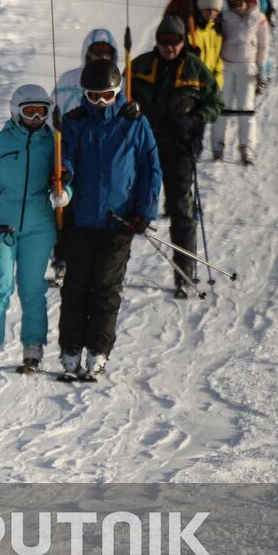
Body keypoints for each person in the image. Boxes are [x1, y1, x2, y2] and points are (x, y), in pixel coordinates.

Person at [56, 60, 161, 377]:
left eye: (106, 95)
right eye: (92, 96)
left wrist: (145, 211)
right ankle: (71, 348)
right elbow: (66, 159)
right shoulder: (74, 122)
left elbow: (150, 169)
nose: (100, 102)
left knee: (105, 287)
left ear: (118, 92)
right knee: (76, 287)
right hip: (82, 220)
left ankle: (98, 349)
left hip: (119, 222)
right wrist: (63, 182)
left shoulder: (134, 123)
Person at [0, 85, 65, 373]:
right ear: (15, 112)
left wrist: (66, 191)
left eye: (42, 111)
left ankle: (33, 346)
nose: (36, 117)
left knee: (32, 288)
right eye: (29, 111)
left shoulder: (55, 143)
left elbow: (67, 174)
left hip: (39, 226)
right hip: (0, 227)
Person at [128, 16, 222, 296]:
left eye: (175, 41)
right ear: (157, 40)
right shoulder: (140, 66)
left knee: (182, 209)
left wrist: (195, 120)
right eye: (164, 41)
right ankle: (115, 268)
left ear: (183, 42)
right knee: (128, 206)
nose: (170, 47)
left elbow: (215, 103)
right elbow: (121, 97)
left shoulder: (195, 68)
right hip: (143, 146)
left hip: (180, 148)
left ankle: (184, 272)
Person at [51, 28, 123, 286]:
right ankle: (61, 258)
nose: (102, 57)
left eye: (107, 53)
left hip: (101, 152)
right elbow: (55, 108)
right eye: (97, 52)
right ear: (87, 53)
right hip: (71, 145)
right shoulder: (70, 78)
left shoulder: (118, 79)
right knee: (64, 203)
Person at [216, 0, 271, 166]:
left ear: (247, 0)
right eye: (232, 3)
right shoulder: (224, 17)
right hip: (226, 65)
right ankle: (217, 145)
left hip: (247, 66)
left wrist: (262, 69)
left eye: (240, 2)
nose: (237, 7)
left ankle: (247, 147)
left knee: (246, 108)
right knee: (221, 106)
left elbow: (264, 45)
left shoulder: (258, 18)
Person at [185, 0, 225, 160]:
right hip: (192, 89)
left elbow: (218, 61)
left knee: (200, 125)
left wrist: (216, 82)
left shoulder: (217, 32)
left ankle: (194, 154)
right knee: (189, 126)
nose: (212, 13)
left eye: (215, 10)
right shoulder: (193, 31)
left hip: (208, 89)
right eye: (208, 9)